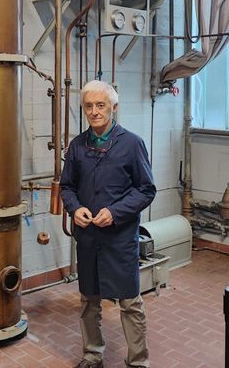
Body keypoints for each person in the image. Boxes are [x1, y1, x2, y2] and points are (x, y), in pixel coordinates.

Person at [60, 80, 156, 368]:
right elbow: (67, 187)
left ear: (113, 107)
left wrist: (115, 212)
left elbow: (146, 190)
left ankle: (138, 361)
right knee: (89, 300)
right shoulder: (77, 146)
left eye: (100, 105)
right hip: (89, 238)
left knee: (130, 302)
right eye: (88, 106)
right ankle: (92, 355)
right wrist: (75, 208)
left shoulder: (132, 144)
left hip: (120, 238)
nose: (94, 111)